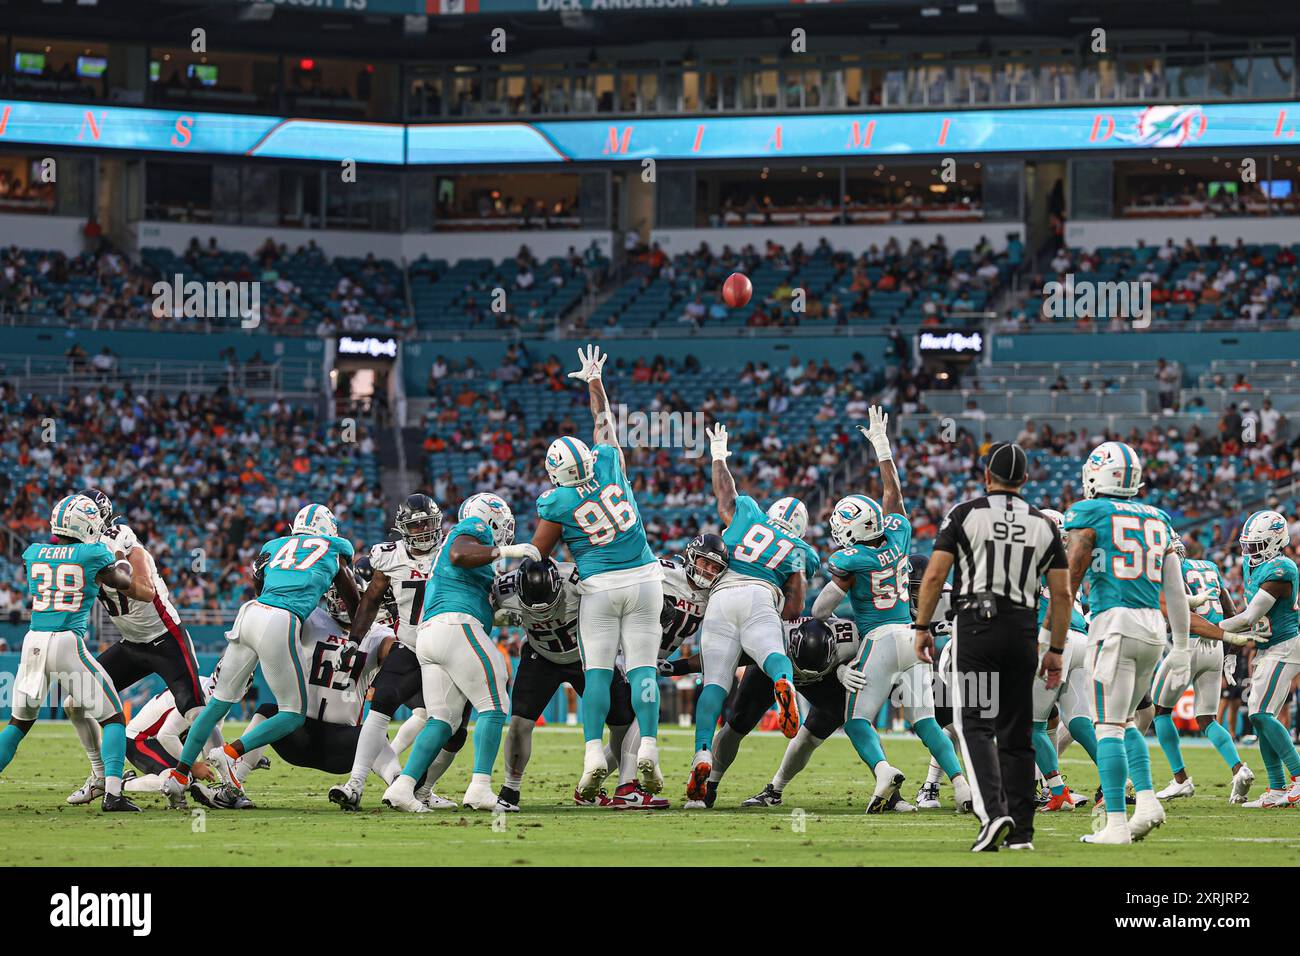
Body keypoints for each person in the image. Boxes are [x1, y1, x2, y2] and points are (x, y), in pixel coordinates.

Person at [914, 442, 1071, 852]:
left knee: (975, 724)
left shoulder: (966, 514)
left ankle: (992, 813)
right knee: (1017, 733)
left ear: (987, 476)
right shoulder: (1043, 523)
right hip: (1023, 630)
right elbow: (1062, 594)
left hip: (977, 627)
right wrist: (1055, 647)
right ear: (1024, 481)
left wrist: (922, 627)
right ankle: (1021, 832)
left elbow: (933, 577)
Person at [1, 494, 140, 812]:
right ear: (85, 523)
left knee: (17, 725)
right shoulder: (92, 553)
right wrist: (120, 553)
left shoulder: (34, 552)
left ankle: (102, 781)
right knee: (114, 717)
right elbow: (124, 582)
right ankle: (113, 794)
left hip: (33, 641)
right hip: (66, 641)